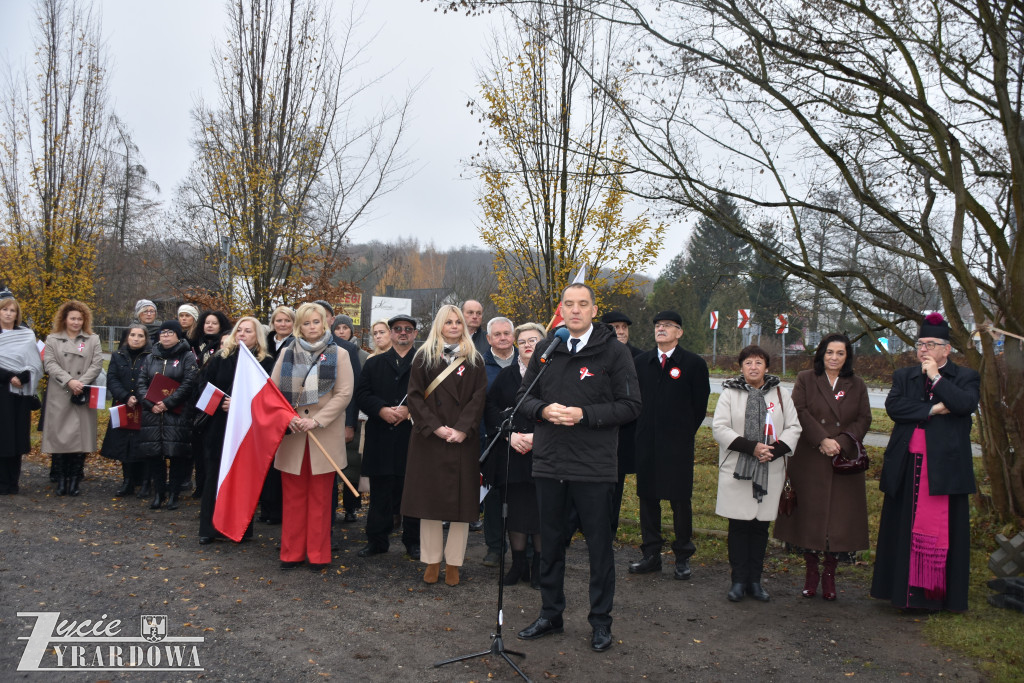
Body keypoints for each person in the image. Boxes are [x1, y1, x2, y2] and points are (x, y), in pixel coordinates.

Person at [515, 283, 641, 653]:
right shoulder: (546, 348)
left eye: (582, 304)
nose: (575, 310)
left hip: (594, 466)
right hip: (550, 462)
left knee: (599, 548)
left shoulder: (615, 352)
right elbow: (523, 397)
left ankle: (600, 621)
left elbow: (631, 405)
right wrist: (542, 411)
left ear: (593, 309)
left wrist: (584, 415)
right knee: (550, 545)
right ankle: (550, 615)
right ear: (561, 309)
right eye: (568, 304)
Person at [871, 313, 979, 612]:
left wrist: (936, 378)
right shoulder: (904, 376)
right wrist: (932, 409)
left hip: (944, 471)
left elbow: (963, 404)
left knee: (944, 532)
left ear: (947, 349)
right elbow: (895, 407)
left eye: (931, 344)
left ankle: (936, 597)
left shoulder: (966, 377)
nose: (924, 349)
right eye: (920, 343)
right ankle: (899, 593)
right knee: (901, 530)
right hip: (907, 467)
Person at [774, 333, 871, 600]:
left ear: (847, 357)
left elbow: (864, 418)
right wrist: (822, 439)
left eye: (840, 353)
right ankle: (811, 572)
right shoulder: (806, 379)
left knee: (838, 521)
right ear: (821, 354)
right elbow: (799, 411)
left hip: (843, 460)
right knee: (809, 517)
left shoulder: (857, 384)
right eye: (830, 352)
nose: (834, 358)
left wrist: (840, 442)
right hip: (810, 457)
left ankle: (829, 574)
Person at [401, 304, 488, 587]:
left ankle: (453, 563)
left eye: (458, 322)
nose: (454, 326)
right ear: (439, 325)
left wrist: (462, 429)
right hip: (430, 438)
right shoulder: (423, 357)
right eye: (448, 322)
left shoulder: (475, 360)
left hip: (462, 440)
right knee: (430, 504)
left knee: (461, 507)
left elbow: (478, 398)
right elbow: (414, 397)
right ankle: (431, 560)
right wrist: (436, 427)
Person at [712, 345, 801, 603]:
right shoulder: (730, 393)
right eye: (748, 362)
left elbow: (794, 427)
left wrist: (773, 450)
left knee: (760, 529)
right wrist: (752, 448)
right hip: (738, 469)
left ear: (767, 367)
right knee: (738, 527)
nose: (753, 367)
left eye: (758, 363)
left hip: (770, 468)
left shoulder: (781, 393)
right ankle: (738, 581)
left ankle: (755, 581)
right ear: (741, 367)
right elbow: (719, 428)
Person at [271, 302, 354, 570]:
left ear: (325, 323)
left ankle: (318, 554)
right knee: (293, 497)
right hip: (293, 434)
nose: (311, 327)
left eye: (316, 322)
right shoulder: (286, 353)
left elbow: (343, 394)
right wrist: (290, 418)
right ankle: (291, 552)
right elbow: (273, 393)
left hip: (324, 433)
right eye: (306, 323)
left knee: (320, 499)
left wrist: (317, 420)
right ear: (299, 326)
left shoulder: (339, 354)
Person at [629, 311, 711, 580]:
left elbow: (699, 405)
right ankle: (651, 554)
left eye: (667, 325)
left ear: (679, 332)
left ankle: (682, 555)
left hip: (677, 445)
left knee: (679, 501)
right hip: (646, 443)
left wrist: (683, 432)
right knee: (648, 499)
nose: (660, 329)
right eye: (657, 325)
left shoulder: (693, 364)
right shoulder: (642, 362)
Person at [198, 317, 276, 544]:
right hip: (218, 427)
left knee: (242, 479)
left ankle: (239, 528)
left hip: (247, 430)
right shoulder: (219, 359)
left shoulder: (266, 363)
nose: (242, 334)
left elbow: (268, 399)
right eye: (239, 330)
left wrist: (240, 405)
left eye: (248, 331)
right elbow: (202, 389)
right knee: (214, 477)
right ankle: (209, 529)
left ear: (257, 336)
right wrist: (221, 401)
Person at [484, 322, 545, 588]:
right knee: (516, 511)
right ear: (515, 346)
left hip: (544, 453)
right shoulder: (507, 376)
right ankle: (518, 563)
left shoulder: (554, 373)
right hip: (513, 453)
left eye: (534, 340)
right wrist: (509, 435)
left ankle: (540, 566)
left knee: (541, 512)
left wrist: (537, 438)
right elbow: (490, 406)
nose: (528, 345)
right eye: (522, 342)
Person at [354, 314, 420, 559]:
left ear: (414, 334)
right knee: (380, 495)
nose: (403, 332)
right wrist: (380, 409)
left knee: (412, 493)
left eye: (408, 329)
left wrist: (410, 410)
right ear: (391, 333)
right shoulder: (374, 363)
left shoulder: (424, 363)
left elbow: (433, 397)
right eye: (397, 329)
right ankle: (377, 541)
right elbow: (361, 394)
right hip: (380, 437)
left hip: (411, 438)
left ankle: (413, 542)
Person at [42, 300, 104, 496]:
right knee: (60, 439)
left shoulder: (93, 339)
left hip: (83, 393)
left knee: (80, 439)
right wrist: (69, 381)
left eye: (80, 318)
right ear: (65, 319)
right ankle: (61, 479)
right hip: (60, 392)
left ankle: (75, 480)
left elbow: (97, 364)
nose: (76, 322)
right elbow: (49, 364)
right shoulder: (52, 339)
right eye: (73, 318)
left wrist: (81, 383)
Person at [137, 320, 200, 510]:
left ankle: (173, 493)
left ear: (177, 335)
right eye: (162, 332)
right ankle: (159, 493)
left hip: (177, 414)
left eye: (169, 332)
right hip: (152, 415)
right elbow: (141, 383)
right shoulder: (150, 357)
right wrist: (149, 404)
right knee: (155, 455)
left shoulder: (187, 356)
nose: (165, 336)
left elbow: (189, 383)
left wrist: (168, 403)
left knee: (176, 455)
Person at [599, 311, 643, 533]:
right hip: (595, 431)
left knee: (616, 484)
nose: (621, 331)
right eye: (616, 327)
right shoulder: (594, 355)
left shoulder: (640, 358)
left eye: (624, 327)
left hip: (626, 434)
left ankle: (609, 530)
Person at [480, 316, 518, 566]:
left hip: (523, 440)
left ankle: (521, 550)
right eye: (498, 334)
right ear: (489, 338)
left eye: (507, 333)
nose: (503, 337)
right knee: (492, 497)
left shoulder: (530, 361)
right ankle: (495, 547)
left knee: (520, 496)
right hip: (490, 439)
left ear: (513, 336)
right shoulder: (479, 365)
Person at [100, 324, 152, 497]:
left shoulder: (151, 356)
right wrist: (125, 396)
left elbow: (152, 378)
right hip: (123, 405)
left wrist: (138, 396)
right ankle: (127, 481)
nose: (136, 339)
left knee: (143, 445)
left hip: (143, 407)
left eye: (140, 336)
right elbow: (112, 378)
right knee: (124, 445)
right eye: (132, 335)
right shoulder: (118, 355)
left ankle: (145, 482)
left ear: (145, 339)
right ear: (127, 337)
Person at [0, 295, 44, 495]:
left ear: (17, 314)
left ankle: (13, 482)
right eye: (5, 309)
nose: (9, 313)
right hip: (2, 392)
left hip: (21, 394)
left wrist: (25, 376)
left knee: (17, 437)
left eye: (12, 310)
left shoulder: (26, 334)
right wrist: (9, 376)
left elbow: (35, 363)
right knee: (3, 436)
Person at [259, 305, 295, 523]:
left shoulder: (295, 344)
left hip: (283, 405)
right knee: (266, 461)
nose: (282, 324)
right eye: (278, 321)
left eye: (287, 321)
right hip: (264, 406)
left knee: (281, 462)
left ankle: (279, 510)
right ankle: (266, 507)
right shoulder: (265, 343)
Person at [330, 315, 364, 526]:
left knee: (352, 466)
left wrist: (351, 422)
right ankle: (332, 506)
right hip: (332, 417)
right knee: (332, 467)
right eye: (338, 328)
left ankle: (351, 507)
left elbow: (358, 388)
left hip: (352, 416)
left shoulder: (359, 354)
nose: (342, 331)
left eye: (346, 327)